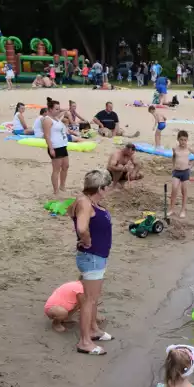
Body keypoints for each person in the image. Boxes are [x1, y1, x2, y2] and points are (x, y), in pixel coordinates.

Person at [68, 169, 114, 356]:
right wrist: (86, 239)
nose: (109, 190)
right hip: (92, 257)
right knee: (89, 300)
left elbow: (71, 212)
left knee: (94, 298)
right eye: (107, 187)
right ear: (101, 188)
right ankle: (84, 341)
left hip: (97, 257)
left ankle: (93, 330)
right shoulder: (86, 203)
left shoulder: (86, 201)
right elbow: (81, 226)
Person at [169, 131, 194, 218]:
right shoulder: (174, 148)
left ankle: (183, 210)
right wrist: (173, 166)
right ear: (178, 139)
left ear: (187, 140)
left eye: (185, 140)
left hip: (185, 172)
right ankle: (171, 209)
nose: (183, 142)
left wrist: (192, 165)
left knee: (184, 191)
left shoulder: (189, 149)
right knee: (174, 189)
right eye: (181, 140)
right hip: (176, 172)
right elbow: (174, 157)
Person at [43, 99, 69, 195]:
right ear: (50, 109)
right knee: (56, 169)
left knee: (66, 166)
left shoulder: (56, 118)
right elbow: (46, 135)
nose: (58, 110)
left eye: (59, 108)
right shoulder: (47, 120)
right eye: (56, 109)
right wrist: (51, 148)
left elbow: (62, 111)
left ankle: (62, 185)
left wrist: (61, 109)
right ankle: (56, 190)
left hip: (62, 145)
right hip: (55, 147)